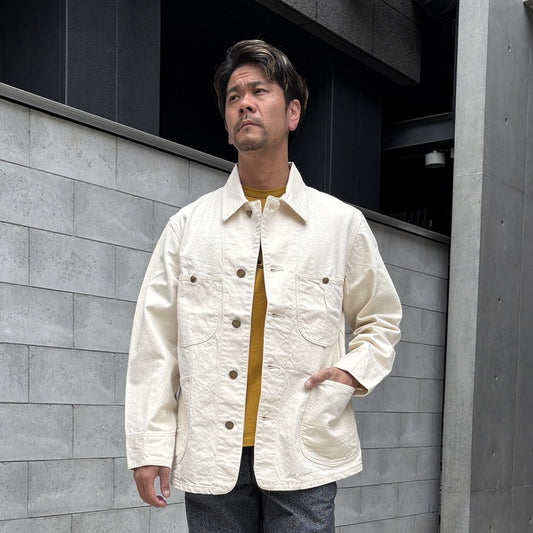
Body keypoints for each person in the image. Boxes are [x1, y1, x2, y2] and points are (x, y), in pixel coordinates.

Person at [125, 39, 402, 532]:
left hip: (303, 445)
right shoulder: (188, 227)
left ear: (293, 113)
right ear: (227, 121)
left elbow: (381, 318)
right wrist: (149, 446)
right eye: (234, 97)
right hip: (212, 449)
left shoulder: (339, 224)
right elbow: (155, 342)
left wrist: (350, 372)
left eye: (259, 91)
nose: (244, 104)